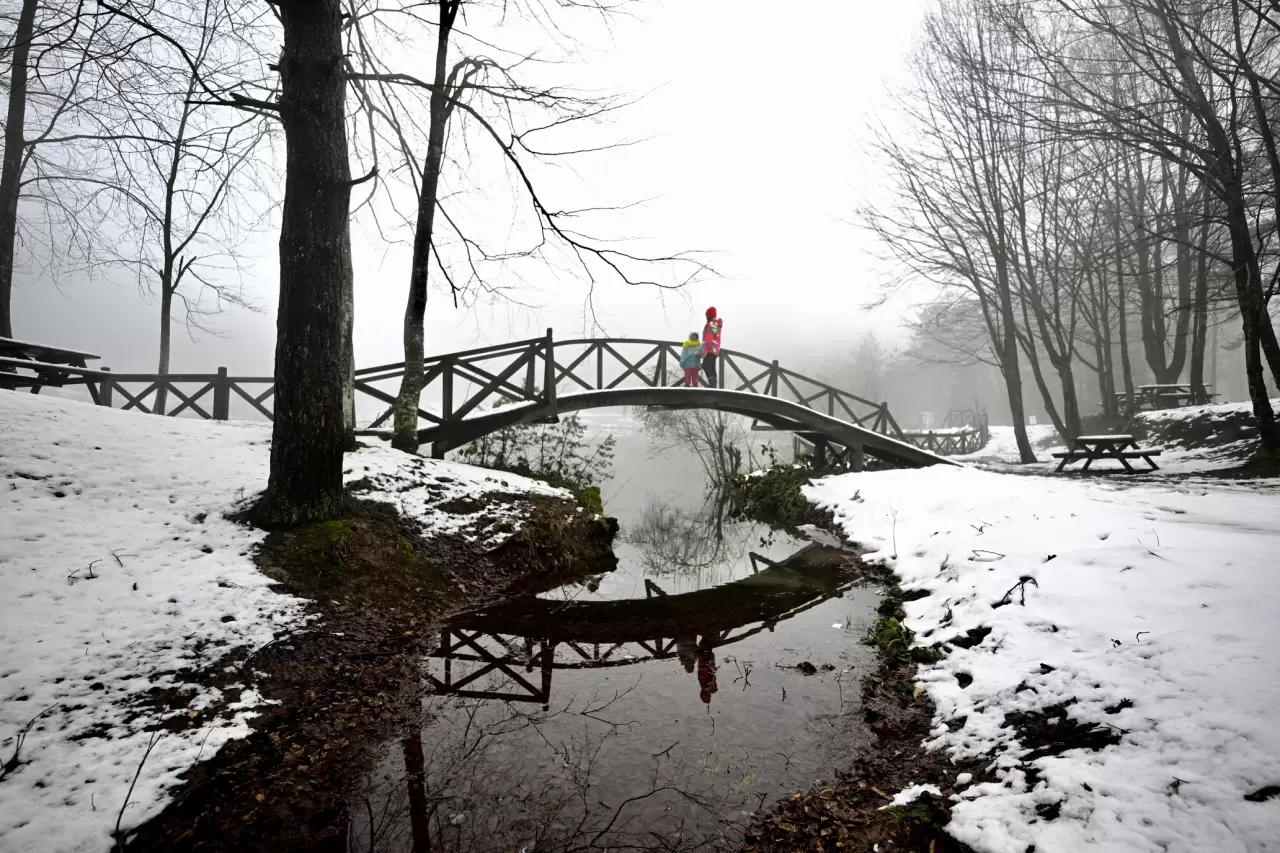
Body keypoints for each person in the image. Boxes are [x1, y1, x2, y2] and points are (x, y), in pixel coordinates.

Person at [702, 307, 723, 387]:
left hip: (710, 348)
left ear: (709, 315)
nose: (706, 317)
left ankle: (712, 383)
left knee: (705, 365)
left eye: (707, 315)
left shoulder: (712, 324)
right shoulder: (714, 323)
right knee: (711, 366)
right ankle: (713, 383)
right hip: (714, 348)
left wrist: (705, 349)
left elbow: (710, 336)